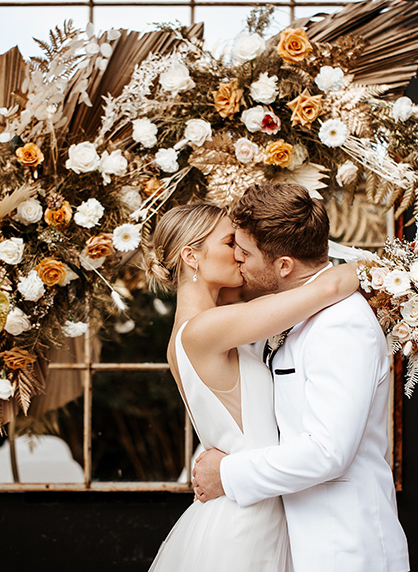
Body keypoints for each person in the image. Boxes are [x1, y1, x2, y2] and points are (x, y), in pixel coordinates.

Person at [193, 183, 410, 572]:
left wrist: (227, 474)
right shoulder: (280, 314)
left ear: (284, 266)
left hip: (343, 547)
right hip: (286, 539)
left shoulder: (343, 324)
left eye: (245, 252)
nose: (237, 260)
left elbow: (328, 452)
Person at [142, 197, 359, 571]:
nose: (240, 254)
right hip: (247, 520)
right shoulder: (207, 328)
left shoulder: (191, 331)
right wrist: (397, 268)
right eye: (230, 244)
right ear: (191, 257)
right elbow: (325, 289)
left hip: (249, 502)